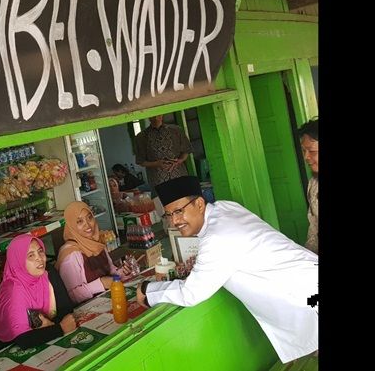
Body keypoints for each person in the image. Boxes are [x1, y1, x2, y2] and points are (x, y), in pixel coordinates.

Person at [135, 176, 318, 363]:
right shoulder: (224, 207)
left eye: (179, 211)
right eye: (169, 215)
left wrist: (147, 290)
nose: (174, 221)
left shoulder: (217, 238)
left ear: (199, 204)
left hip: (306, 296)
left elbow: (190, 294)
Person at [0, 234, 78, 349]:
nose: (39, 258)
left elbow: (67, 309)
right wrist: (60, 328)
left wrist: (51, 327)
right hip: (13, 351)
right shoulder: (14, 290)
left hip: (49, 339)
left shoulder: (48, 273)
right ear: (18, 261)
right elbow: (24, 339)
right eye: (31, 256)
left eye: (40, 251)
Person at [56, 201, 129, 305]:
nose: (88, 225)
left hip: (108, 301)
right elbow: (71, 296)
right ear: (71, 226)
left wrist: (121, 273)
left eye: (89, 218)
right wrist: (101, 284)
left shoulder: (96, 242)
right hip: (86, 309)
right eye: (80, 221)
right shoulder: (71, 254)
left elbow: (111, 270)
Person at [133, 114, 192, 189]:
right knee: (164, 200)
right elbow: (140, 161)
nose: (156, 118)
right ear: (149, 117)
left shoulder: (176, 130)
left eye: (158, 115)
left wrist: (179, 160)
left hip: (179, 175)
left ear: (162, 115)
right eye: (153, 116)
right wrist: (156, 164)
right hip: (158, 180)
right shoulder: (142, 136)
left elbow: (186, 150)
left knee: (184, 198)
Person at [297, 119, 318, 254]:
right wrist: (308, 257)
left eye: (312, 151)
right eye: (304, 151)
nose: (306, 157)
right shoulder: (313, 184)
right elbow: (314, 227)